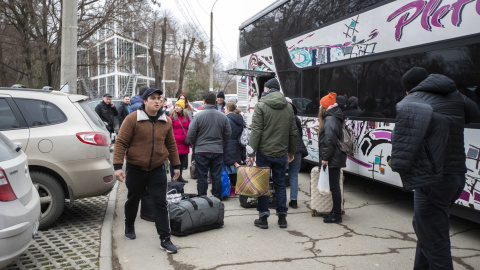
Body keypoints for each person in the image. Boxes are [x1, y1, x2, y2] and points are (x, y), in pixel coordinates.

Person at [391, 67, 480, 269]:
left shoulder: (410, 102)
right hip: (456, 176)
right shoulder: (455, 94)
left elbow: (400, 141)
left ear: (408, 89)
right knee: (427, 230)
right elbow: (474, 113)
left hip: (432, 179)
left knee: (435, 241)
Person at [113, 88, 181, 254]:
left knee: (160, 203)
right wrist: (117, 166)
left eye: (159, 98)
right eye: (153, 98)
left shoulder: (166, 120)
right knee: (133, 199)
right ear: (145, 101)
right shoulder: (132, 119)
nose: (157, 101)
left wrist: (176, 165)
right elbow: (121, 142)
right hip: (136, 168)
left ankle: (165, 239)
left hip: (157, 168)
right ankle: (129, 224)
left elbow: (171, 144)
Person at [247, 77, 297, 229]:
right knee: (280, 184)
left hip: (264, 152)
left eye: (264, 88)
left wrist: (250, 152)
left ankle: (263, 218)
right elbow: (293, 132)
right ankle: (282, 218)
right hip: (281, 153)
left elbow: (256, 131)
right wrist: (291, 151)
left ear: (268, 89)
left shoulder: (261, 106)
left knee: (263, 185)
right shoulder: (288, 107)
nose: (263, 90)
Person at [185, 92, 231, 200]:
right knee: (216, 176)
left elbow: (190, 134)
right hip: (217, 151)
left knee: (202, 176)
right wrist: (220, 143)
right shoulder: (223, 116)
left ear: (204, 101)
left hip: (201, 151)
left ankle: (202, 199)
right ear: (215, 101)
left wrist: (195, 144)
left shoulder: (198, 116)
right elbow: (228, 133)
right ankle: (217, 199)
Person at [317, 92, 347, 224]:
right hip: (336, 156)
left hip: (333, 158)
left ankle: (336, 215)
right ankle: (334, 211)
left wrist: (325, 158)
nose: (319, 108)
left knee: (334, 187)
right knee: (334, 186)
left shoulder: (329, 120)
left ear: (325, 107)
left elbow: (329, 141)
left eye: (320, 106)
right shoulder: (334, 118)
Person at [285, 98, 306, 209]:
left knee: (280, 175)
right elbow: (300, 135)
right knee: (294, 175)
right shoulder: (296, 118)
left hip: (285, 149)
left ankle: (281, 200)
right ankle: (294, 201)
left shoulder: (282, 117)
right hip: (297, 149)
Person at [223, 103, 246, 194]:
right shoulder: (239, 118)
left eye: (225, 108)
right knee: (234, 166)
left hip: (228, 144)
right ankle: (237, 187)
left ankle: (233, 188)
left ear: (228, 109)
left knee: (229, 167)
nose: (224, 110)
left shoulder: (227, 119)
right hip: (238, 144)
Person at [169, 99, 191, 184]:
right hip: (175, 143)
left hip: (184, 143)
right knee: (174, 162)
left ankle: (180, 176)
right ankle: (173, 178)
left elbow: (190, 128)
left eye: (178, 106)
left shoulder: (186, 117)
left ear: (182, 108)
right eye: (176, 106)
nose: (177, 108)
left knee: (181, 162)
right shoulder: (171, 117)